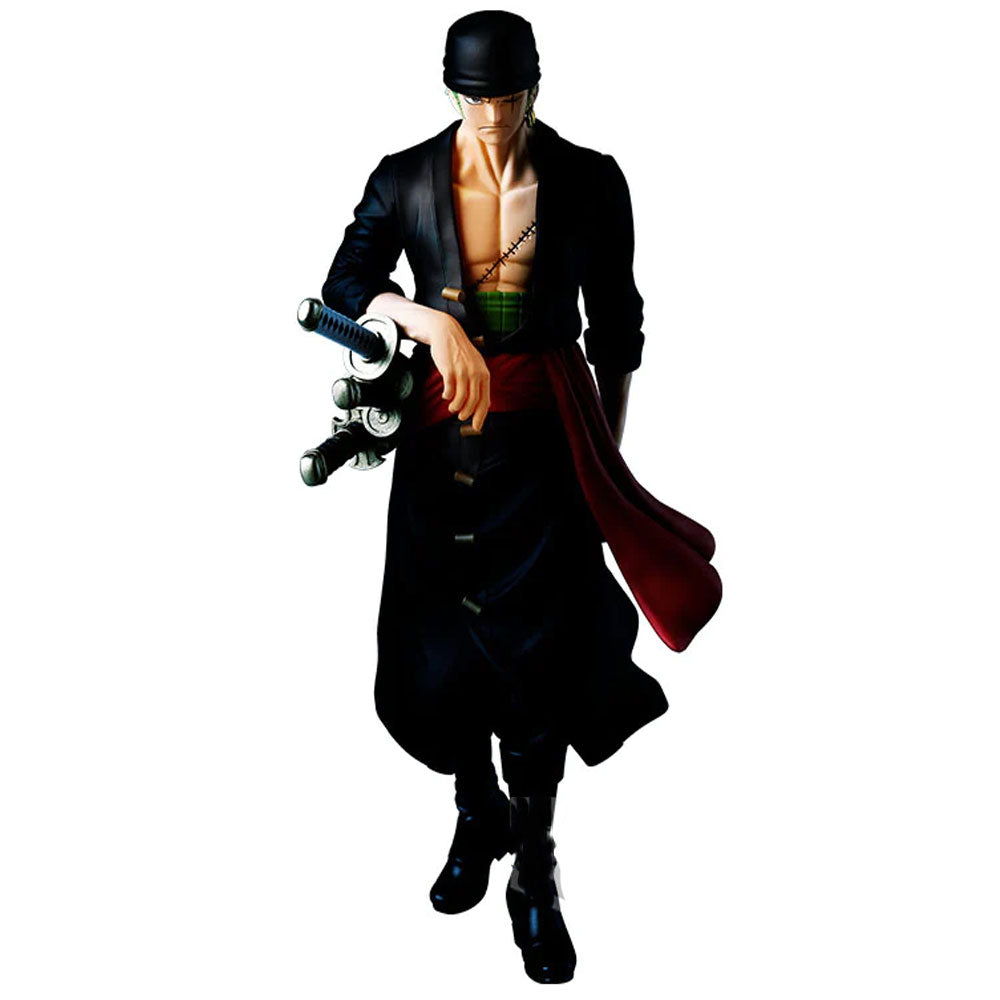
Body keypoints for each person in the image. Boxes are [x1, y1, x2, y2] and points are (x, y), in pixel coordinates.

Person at [320, 11, 722, 984]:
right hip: (436, 449)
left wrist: (603, 455)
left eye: (507, 97)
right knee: (437, 651)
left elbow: (617, 327)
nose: (492, 118)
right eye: (475, 100)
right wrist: (426, 319)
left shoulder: (590, 180)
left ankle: (534, 864)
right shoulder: (404, 177)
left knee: (543, 662)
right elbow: (344, 288)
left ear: (535, 89)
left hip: (546, 455)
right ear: (449, 92)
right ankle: (476, 810)